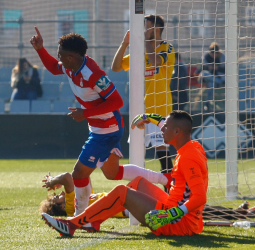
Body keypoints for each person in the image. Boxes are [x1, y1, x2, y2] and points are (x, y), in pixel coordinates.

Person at [30, 27, 171, 231]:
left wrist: (85, 113)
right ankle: (164, 178)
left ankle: (81, 219)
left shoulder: (92, 73)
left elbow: (117, 101)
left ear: (72, 56)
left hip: (107, 129)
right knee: (112, 173)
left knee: (78, 173)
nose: (59, 58)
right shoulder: (70, 66)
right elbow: (53, 67)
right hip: (99, 127)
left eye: (61, 55)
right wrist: (40, 49)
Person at [41, 110, 209, 237]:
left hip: (179, 222)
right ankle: (93, 222)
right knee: (138, 182)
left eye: (166, 127)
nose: (161, 129)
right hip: (176, 210)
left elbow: (200, 197)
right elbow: (170, 125)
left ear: (177, 132)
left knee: (122, 192)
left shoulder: (188, 157)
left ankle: (72, 225)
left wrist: (169, 214)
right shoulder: (191, 145)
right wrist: (151, 117)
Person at [39, 171, 255, 222]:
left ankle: (236, 214)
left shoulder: (79, 201)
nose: (60, 195)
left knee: (180, 204)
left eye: (58, 194)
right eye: (57, 198)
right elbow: (70, 178)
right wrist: (54, 181)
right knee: (182, 209)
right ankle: (238, 215)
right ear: (59, 208)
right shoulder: (71, 208)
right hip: (130, 207)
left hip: (129, 200)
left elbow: (79, 178)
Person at [111, 14, 175, 178]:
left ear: (156, 29)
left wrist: (146, 41)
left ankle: (171, 188)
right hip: (140, 109)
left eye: (146, 26)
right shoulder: (140, 51)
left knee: (161, 150)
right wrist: (125, 43)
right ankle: (140, 188)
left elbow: (155, 62)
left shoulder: (166, 47)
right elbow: (115, 67)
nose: (143, 30)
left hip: (160, 107)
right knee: (137, 151)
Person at [197, 42, 225, 112]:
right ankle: (217, 82)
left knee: (211, 84)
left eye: (215, 53)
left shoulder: (222, 56)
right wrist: (209, 67)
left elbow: (226, 69)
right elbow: (203, 68)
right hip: (210, 77)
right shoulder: (207, 56)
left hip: (220, 77)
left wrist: (217, 68)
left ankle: (208, 103)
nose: (213, 55)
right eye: (212, 53)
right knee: (204, 74)